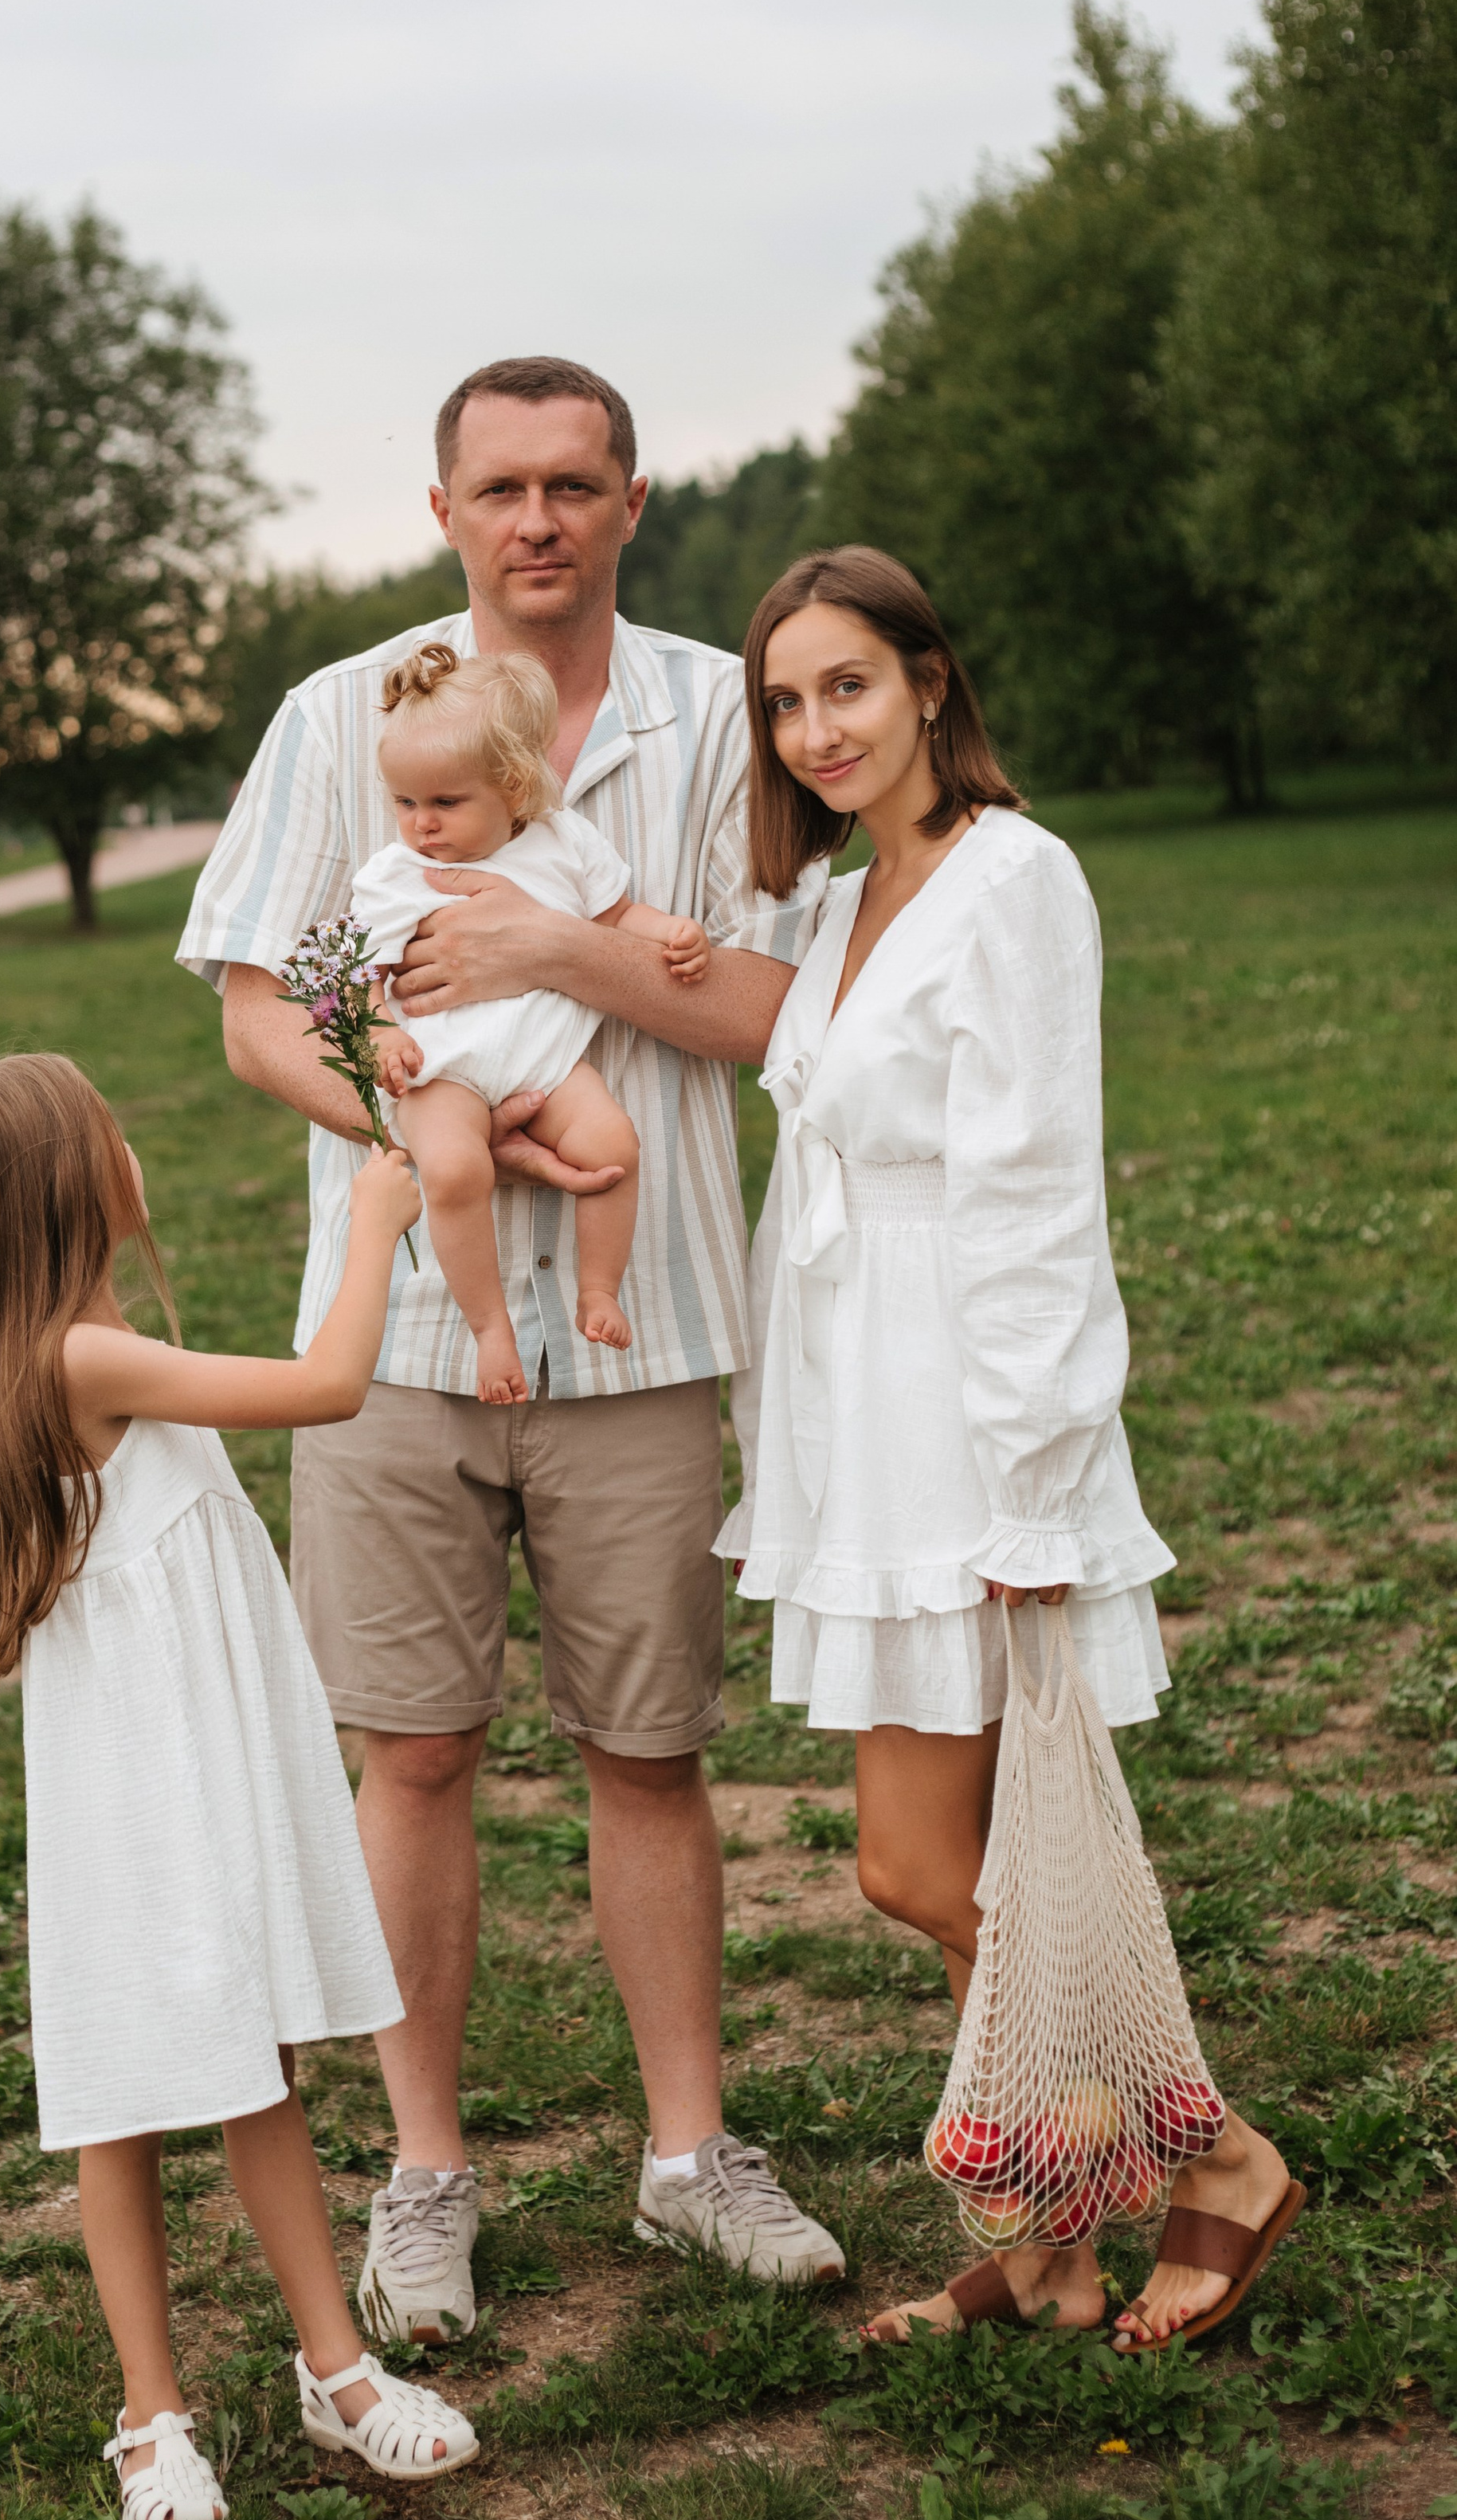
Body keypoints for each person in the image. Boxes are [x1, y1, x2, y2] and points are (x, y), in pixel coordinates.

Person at [180, 355, 841, 2347]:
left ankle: (686, 2156)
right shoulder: (344, 717)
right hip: (390, 1335)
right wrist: (412, 1126)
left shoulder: (728, 715)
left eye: (574, 483)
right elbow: (255, 1006)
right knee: (413, 1751)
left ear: (631, 500)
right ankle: (424, 2177)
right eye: (501, 487)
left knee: (647, 1748)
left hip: (649, 1333)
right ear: (447, 507)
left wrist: (558, 953)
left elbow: (777, 1011)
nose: (536, 518)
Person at [723, 546, 1299, 2351]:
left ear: (927, 684)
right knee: (932, 1862)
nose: (814, 727)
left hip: (974, 1408)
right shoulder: (832, 909)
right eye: (783, 701)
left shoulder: (1011, 878)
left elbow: (1035, 1190)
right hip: (858, 1409)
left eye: (844, 685)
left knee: (962, 1859)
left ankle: (1212, 2165)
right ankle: (1052, 2216)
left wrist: (1034, 1478)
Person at [0, 1053, 479, 2520]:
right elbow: (329, 1387)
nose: (130, 1147)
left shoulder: (77, 1347)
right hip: (149, 1781)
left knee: (243, 2058)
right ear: (63, 1197)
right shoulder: (85, 1362)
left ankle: (329, 2372)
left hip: (184, 1757)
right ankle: (153, 2419)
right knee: (136, 2084)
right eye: (110, 1135)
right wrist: (371, 1224)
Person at [358, 639, 711, 1401]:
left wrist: (667, 933)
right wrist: (380, 1032)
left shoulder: (564, 844)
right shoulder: (396, 877)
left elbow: (615, 912)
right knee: (454, 1169)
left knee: (613, 1144)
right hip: (442, 1066)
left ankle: (599, 1290)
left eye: (445, 802)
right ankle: (490, 1329)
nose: (421, 825)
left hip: (544, 1061)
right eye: (405, 803)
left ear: (516, 789)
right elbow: (359, 978)